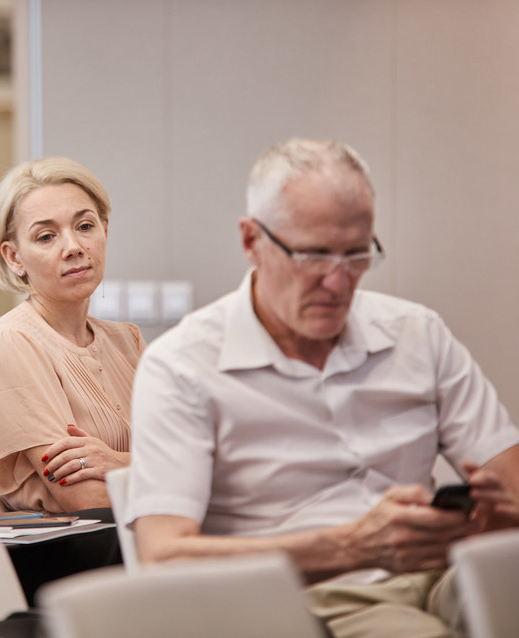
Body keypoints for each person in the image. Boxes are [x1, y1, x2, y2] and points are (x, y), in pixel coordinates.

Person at [127, 138, 519, 637]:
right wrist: (354, 546)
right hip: (303, 602)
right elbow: (164, 561)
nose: (339, 283)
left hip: (449, 574)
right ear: (251, 241)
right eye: (312, 255)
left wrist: (496, 516)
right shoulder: (183, 365)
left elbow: (510, 479)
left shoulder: (417, 334)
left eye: (356, 254)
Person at [0, 156, 146, 514]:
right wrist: (160, 467)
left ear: (105, 231)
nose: (73, 247)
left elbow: (201, 457)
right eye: (47, 236)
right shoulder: (13, 340)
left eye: (85, 226)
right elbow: (83, 499)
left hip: (138, 532)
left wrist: (118, 461)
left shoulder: (128, 341)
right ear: (14, 257)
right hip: (74, 551)